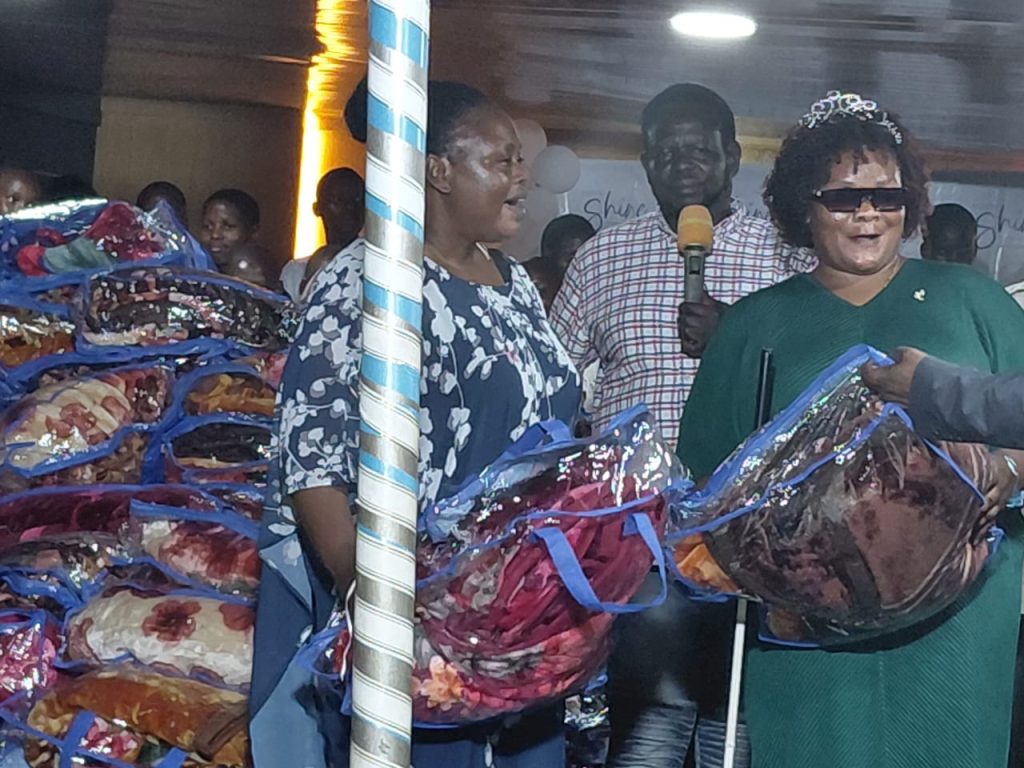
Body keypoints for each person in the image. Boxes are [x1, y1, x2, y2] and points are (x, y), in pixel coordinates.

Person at [677, 91, 1024, 768]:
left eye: (886, 197)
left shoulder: (975, 301)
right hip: (807, 629)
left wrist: (1008, 470)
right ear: (802, 207)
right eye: (843, 198)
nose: (868, 213)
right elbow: (703, 485)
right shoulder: (752, 325)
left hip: (956, 622)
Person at [252, 81, 581, 768]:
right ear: (439, 171)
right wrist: (374, 600)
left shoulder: (515, 282)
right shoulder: (366, 279)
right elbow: (312, 460)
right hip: (426, 624)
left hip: (522, 618)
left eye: (521, 161)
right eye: (502, 160)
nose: (523, 177)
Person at [550, 83, 814, 768]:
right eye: (665, 152)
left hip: (749, 529)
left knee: (733, 726)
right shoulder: (603, 258)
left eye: (699, 150)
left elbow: (825, 378)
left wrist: (737, 336)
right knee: (649, 724)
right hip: (637, 530)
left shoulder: (790, 257)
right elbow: (551, 379)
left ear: (733, 158)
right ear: (645, 163)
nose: (682, 164)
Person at [281, 168, 365, 302]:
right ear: (317, 208)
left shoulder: (375, 269)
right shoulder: (295, 271)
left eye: (358, 200)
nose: (350, 207)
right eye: (338, 200)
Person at [198, 188, 262, 271]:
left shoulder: (256, 276)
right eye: (207, 226)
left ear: (253, 232)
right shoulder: (193, 273)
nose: (215, 235)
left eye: (228, 227)